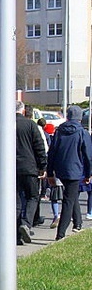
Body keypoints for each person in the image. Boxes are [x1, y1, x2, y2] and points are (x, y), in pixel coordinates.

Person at [47, 105, 92, 240]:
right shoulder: (82, 132)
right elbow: (88, 155)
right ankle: (60, 234)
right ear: (80, 118)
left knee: (71, 195)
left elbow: (52, 153)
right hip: (76, 169)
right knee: (68, 200)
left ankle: (77, 223)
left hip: (61, 169)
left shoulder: (59, 131)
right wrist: (89, 173)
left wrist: (50, 172)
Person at [15, 100, 47, 245]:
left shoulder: (4, 124)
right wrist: (43, 166)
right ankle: (26, 223)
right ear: (23, 111)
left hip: (9, 168)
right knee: (32, 197)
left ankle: (16, 233)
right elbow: (39, 147)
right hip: (29, 167)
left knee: (15, 202)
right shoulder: (30, 125)